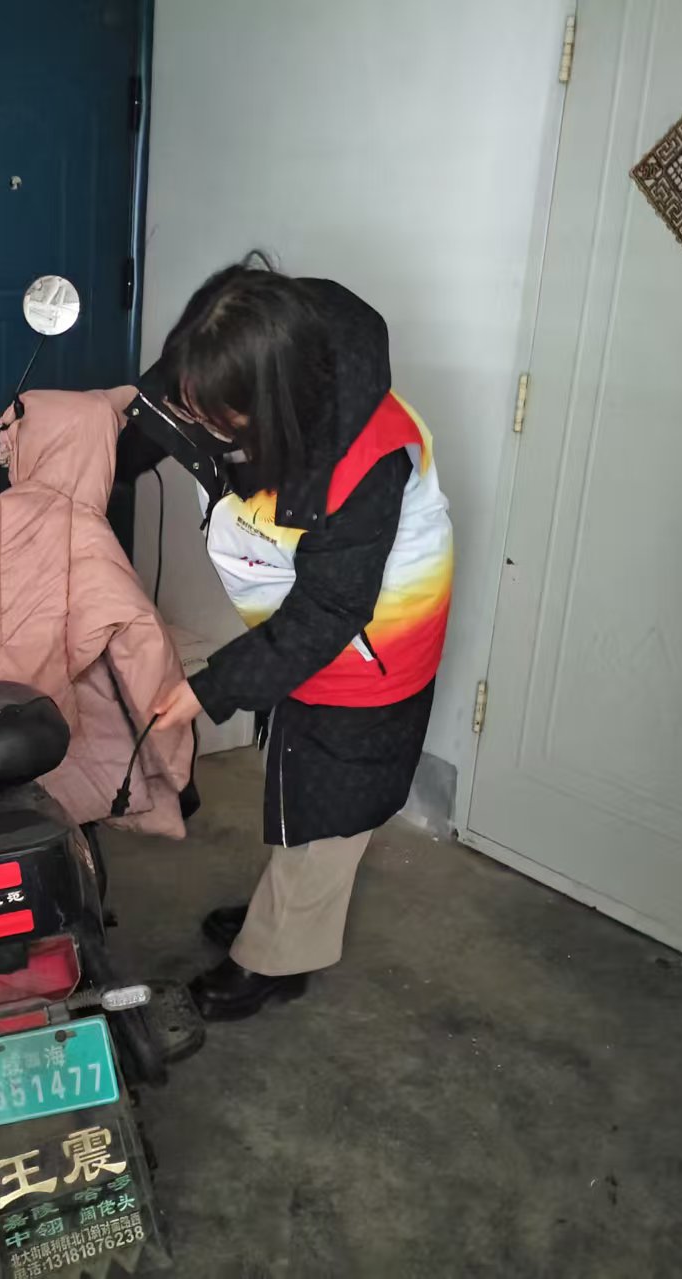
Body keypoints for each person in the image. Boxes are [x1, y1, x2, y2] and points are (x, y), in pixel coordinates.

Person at [133, 255, 453, 1021]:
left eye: (221, 415)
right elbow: (156, 411)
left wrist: (207, 689)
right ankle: (277, 917)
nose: (202, 421)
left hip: (368, 652)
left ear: (271, 401)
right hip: (306, 637)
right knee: (296, 784)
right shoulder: (240, 345)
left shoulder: (365, 459)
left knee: (327, 815)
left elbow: (326, 614)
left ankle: (276, 961)